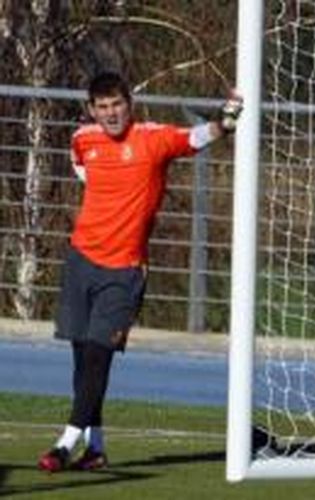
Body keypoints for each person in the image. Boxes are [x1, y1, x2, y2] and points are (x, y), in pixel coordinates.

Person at [37, 71, 242, 472]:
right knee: (83, 359)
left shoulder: (153, 138)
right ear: (91, 110)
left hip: (124, 269)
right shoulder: (83, 139)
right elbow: (83, 171)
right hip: (81, 262)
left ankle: (65, 443)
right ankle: (95, 449)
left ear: (130, 104)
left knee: (99, 355)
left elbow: (199, 137)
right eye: (102, 107)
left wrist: (227, 119)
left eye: (117, 105)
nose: (111, 114)